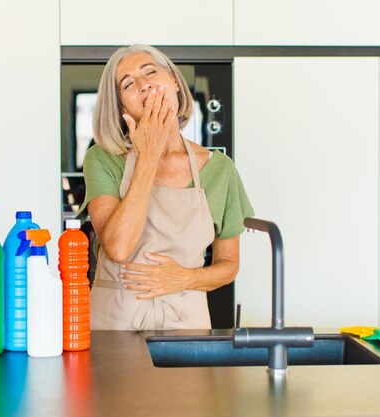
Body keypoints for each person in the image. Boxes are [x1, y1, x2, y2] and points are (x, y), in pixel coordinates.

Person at [79, 44, 254, 330]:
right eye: (128, 84)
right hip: (114, 325)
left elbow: (229, 264)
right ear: (122, 106)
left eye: (150, 72)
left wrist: (184, 278)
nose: (143, 84)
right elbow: (119, 248)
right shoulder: (102, 159)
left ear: (174, 81)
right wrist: (148, 154)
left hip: (187, 324)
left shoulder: (219, 169)